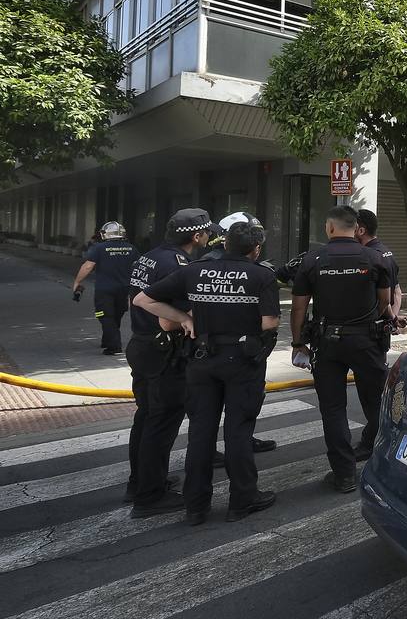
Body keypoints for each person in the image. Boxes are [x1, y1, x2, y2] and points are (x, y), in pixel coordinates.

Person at [134, 219, 280, 525]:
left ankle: (196, 506)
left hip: (201, 359)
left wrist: (184, 320)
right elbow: (269, 323)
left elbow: (143, 299)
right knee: (238, 430)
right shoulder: (261, 275)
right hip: (242, 361)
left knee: (201, 432)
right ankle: (242, 500)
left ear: (224, 244)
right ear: (256, 249)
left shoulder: (194, 270)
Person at [290, 206, 391, 491]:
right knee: (377, 404)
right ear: (356, 227)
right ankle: (385, 463)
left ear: (330, 228)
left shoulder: (313, 259)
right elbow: (384, 302)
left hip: (327, 343)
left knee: (333, 409)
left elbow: (299, 307)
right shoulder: (374, 258)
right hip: (367, 342)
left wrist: (298, 343)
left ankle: (345, 474)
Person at [123, 209, 212, 512]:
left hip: (141, 344)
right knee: (161, 422)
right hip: (164, 351)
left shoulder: (149, 256)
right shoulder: (179, 264)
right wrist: (193, 317)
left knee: (146, 416)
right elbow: (169, 321)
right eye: (207, 233)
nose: (209, 237)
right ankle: (150, 495)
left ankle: (140, 483)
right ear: (197, 236)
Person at [194, 211, 278, 466]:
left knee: (236, 412)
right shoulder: (210, 265)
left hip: (221, 353)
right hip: (231, 352)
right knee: (230, 415)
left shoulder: (207, 266)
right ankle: (237, 472)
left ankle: (239, 443)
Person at [72, 221, 140, 355]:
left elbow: (87, 266)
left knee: (104, 315)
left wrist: (77, 282)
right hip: (125, 289)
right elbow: (138, 267)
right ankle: (107, 339)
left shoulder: (99, 248)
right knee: (116, 315)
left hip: (105, 290)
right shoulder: (131, 248)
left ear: (105, 234)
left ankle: (114, 346)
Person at [355, 209, 404, 328]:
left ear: (361, 231)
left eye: (352, 229)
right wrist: (393, 318)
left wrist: (391, 318)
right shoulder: (386, 252)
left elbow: (384, 299)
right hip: (384, 325)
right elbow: (397, 292)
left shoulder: (369, 257)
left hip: (371, 327)